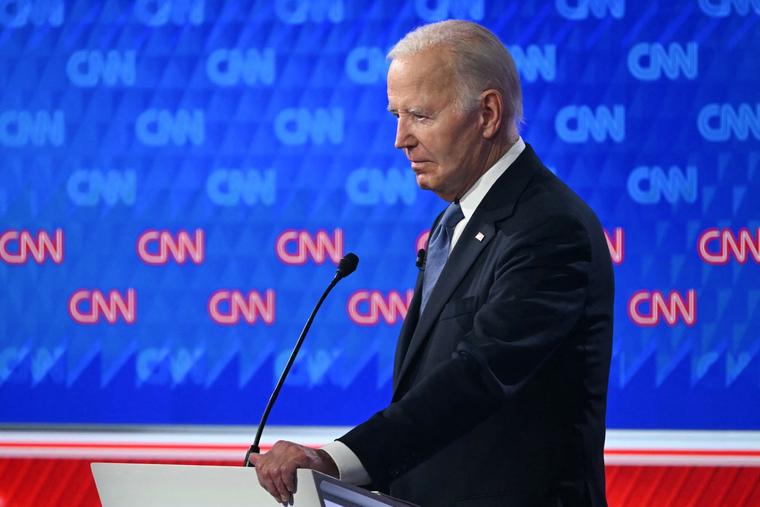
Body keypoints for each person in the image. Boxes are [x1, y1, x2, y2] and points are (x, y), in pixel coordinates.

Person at [250, 19, 614, 507]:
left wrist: (335, 460)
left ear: (487, 113)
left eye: (420, 116)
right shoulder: (456, 220)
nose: (401, 139)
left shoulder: (548, 228)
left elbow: (479, 375)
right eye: (396, 115)